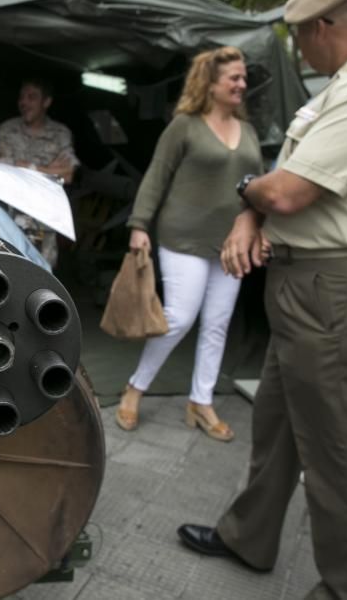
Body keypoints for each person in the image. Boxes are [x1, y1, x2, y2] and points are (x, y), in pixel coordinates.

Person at [176, 0, 347, 600]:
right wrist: (251, 209)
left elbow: (288, 190)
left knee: (340, 454)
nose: (300, 51)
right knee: (280, 425)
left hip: (339, 288)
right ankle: (249, 536)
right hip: (312, 288)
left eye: (300, 38)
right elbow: (285, 192)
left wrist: (249, 194)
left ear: (323, 25)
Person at [114, 46, 262, 440]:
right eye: (234, 77)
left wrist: (259, 229)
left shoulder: (247, 131)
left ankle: (201, 401)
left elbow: (258, 187)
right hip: (183, 237)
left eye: (243, 77)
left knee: (217, 323)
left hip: (230, 244)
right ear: (210, 83)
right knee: (179, 317)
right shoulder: (185, 125)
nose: (242, 84)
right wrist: (139, 224)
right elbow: (156, 176)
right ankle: (135, 388)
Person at [0, 78, 79, 267]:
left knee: (42, 281)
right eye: (22, 97)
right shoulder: (7, 130)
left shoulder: (60, 133)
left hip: (43, 224)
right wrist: (50, 170)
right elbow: (3, 172)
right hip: (7, 221)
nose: (24, 102)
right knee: (5, 274)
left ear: (46, 102)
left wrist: (29, 167)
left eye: (32, 97)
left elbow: (69, 174)